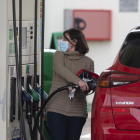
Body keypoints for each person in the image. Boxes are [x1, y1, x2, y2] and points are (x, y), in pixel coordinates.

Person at [47, 28, 94, 140]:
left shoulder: (88, 62)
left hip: (78, 112)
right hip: (56, 109)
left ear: (74, 42)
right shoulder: (59, 55)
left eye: (65, 39)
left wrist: (81, 88)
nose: (62, 41)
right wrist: (78, 81)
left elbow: (87, 88)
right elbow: (60, 69)